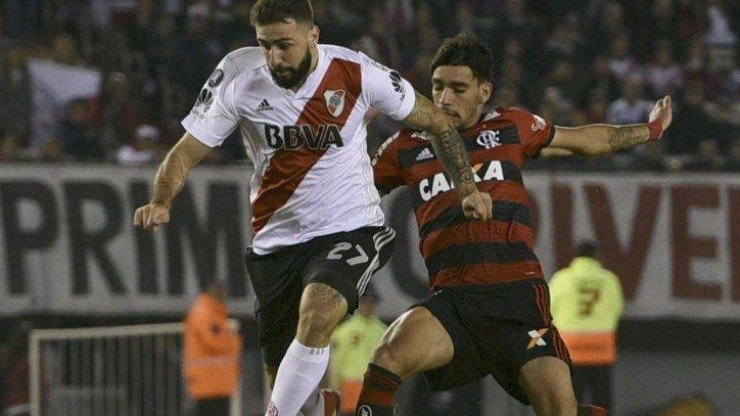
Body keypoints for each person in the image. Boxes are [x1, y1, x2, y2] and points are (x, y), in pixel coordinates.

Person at [132, 2, 492, 415]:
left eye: (284, 45)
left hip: (351, 228)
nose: (274, 58)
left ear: (312, 36)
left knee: (318, 313)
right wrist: (162, 198)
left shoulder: (357, 72)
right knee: (289, 385)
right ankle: (322, 407)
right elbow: (184, 153)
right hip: (276, 243)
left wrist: (468, 186)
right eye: (265, 45)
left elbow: (438, 123)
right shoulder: (238, 76)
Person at [358, 32, 672, 416]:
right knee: (387, 356)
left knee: (560, 410)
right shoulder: (405, 146)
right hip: (455, 301)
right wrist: (348, 133)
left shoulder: (511, 127)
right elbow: (349, 189)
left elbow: (586, 140)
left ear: (483, 91)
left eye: (459, 88)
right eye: (438, 86)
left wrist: (650, 130)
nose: (444, 99)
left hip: (518, 301)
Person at [549, 241, 624, 410]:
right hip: (601, 348)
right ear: (597, 257)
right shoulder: (610, 280)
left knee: (570, 402)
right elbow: (617, 310)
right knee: (601, 402)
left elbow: (547, 310)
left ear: (575, 258)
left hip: (570, 348)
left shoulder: (562, 279)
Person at [183, 280, 243, 416]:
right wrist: (234, 340)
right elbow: (217, 342)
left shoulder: (214, 313)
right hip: (209, 383)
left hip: (216, 382)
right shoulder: (204, 314)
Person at [329, 287, 387, 416]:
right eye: (365, 302)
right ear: (359, 303)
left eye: (372, 302)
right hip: (350, 385)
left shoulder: (384, 332)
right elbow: (336, 361)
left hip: (375, 387)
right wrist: (334, 385)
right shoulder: (344, 331)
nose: (368, 306)